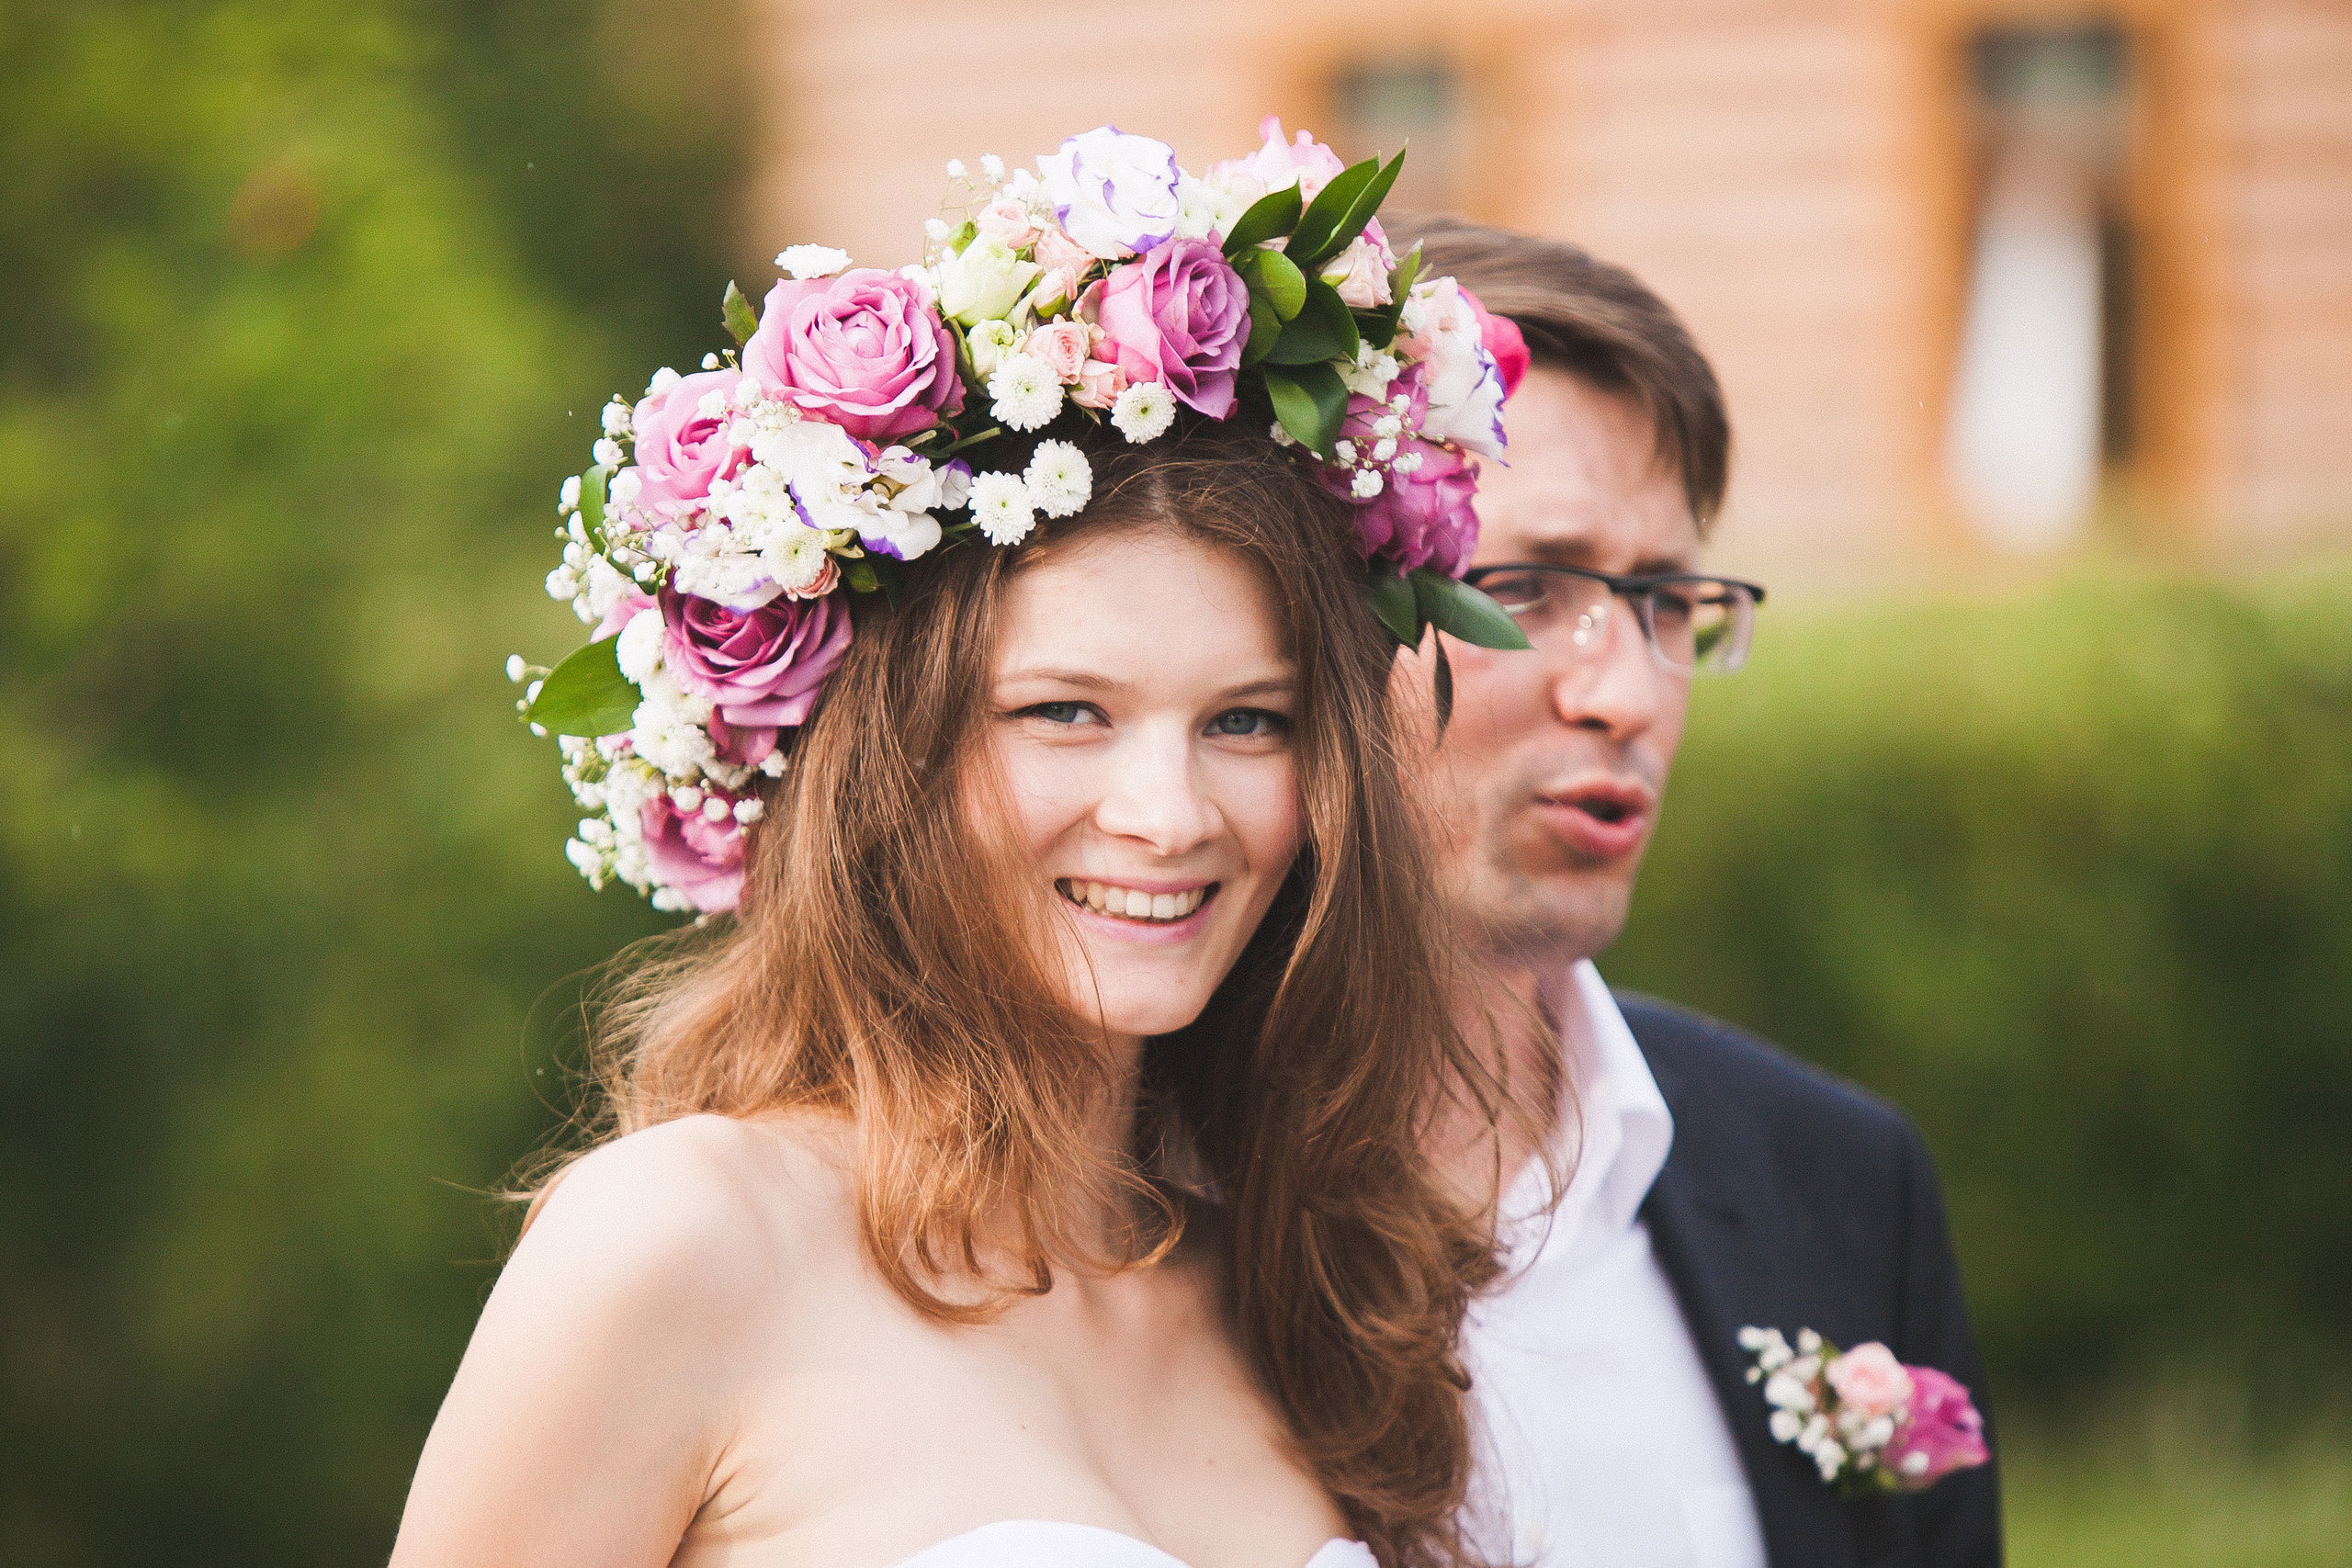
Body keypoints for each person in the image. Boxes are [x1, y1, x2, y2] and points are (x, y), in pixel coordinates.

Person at [392, 110, 1544, 1566]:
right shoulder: (685, 1242)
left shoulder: (1306, 1292)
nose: (1170, 814)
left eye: (1247, 722)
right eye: (1064, 712)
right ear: (892, 762)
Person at [1399, 217, 2004, 1568]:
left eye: (1668, 603)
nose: (1624, 694)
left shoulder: (1840, 1181)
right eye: (1522, 588)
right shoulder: (1111, 1193)